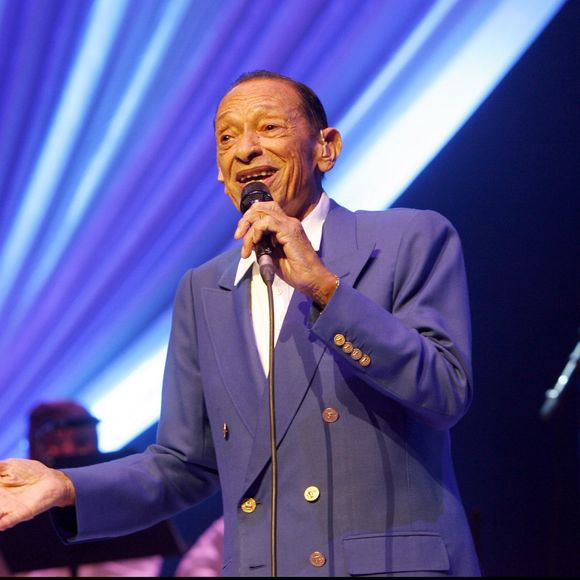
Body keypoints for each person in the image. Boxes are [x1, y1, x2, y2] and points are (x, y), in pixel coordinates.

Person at [0, 70, 482, 576]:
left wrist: (325, 289)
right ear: (219, 170)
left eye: (269, 127)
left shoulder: (407, 239)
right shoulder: (204, 289)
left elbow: (446, 391)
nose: (245, 150)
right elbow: (182, 464)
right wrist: (67, 486)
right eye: (227, 137)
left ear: (326, 148)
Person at [0, 401, 163, 577]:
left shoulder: (125, 490)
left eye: (82, 442)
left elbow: (142, 564)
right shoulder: (13, 497)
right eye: (52, 443)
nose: (69, 451)